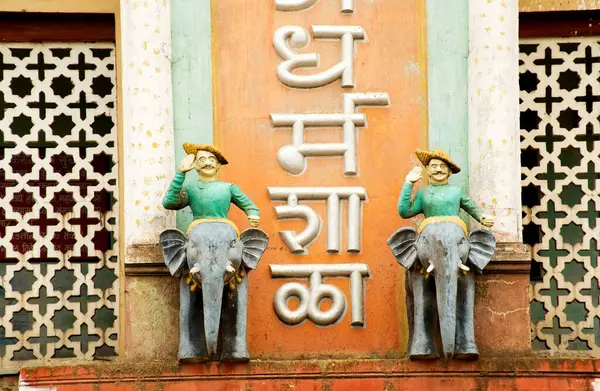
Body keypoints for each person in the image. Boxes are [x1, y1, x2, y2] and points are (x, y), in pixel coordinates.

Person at [399, 148, 494, 234]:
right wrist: (409, 183)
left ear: (450, 171)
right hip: (430, 234)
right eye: (434, 166)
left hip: (454, 233)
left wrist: (482, 217)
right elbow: (405, 212)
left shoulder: (457, 191)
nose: (439, 169)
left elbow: (471, 207)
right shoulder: (423, 193)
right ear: (427, 170)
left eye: (443, 166)